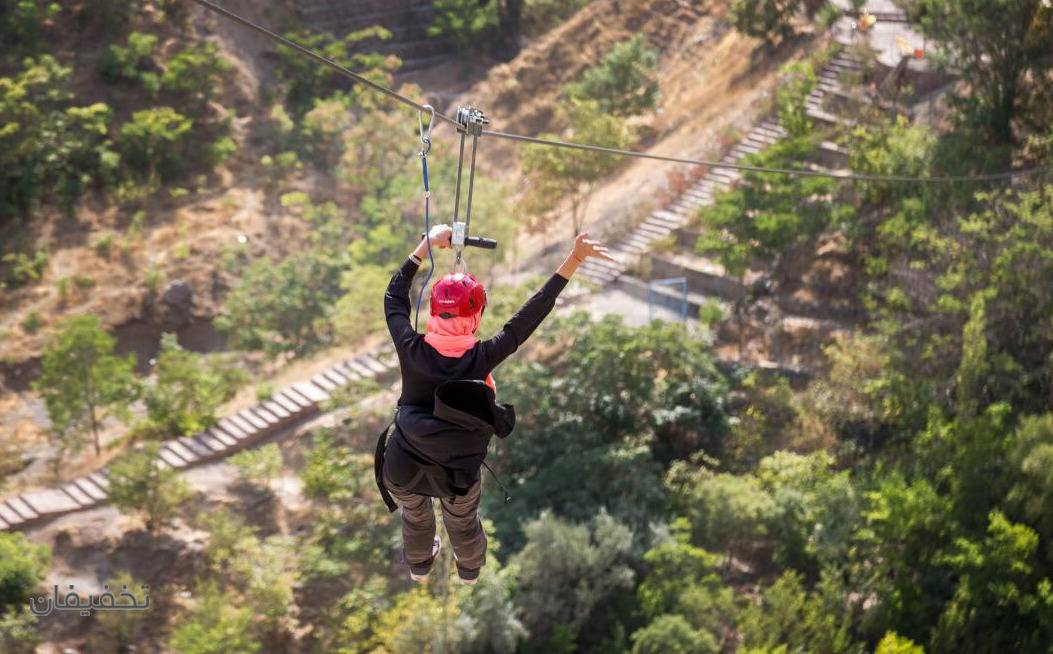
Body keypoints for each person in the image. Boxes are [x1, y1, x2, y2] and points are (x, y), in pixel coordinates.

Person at [375, 224, 616, 585]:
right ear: (475, 317)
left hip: (403, 465)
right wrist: (574, 258)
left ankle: (420, 566)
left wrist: (424, 246)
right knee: (462, 520)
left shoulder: (411, 348)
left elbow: (394, 298)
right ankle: (469, 570)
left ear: (433, 312)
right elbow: (531, 314)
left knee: (415, 515)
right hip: (457, 474)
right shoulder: (483, 356)